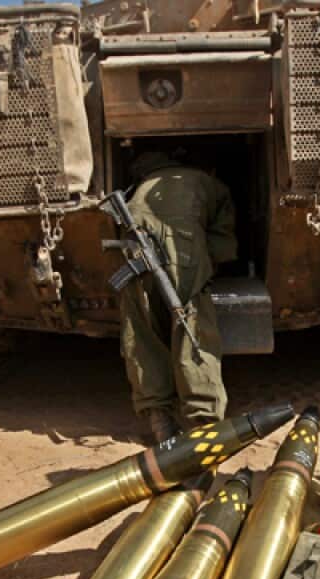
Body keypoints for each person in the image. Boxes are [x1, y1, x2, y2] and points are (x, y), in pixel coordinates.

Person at [118, 150, 237, 443]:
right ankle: (204, 421)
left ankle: (158, 418)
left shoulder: (136, 188)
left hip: (135, 253)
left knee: (141, 331)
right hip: (183, 250)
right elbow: (223, 241)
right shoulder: (206, 182)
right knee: (193, 329)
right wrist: (210, 265)